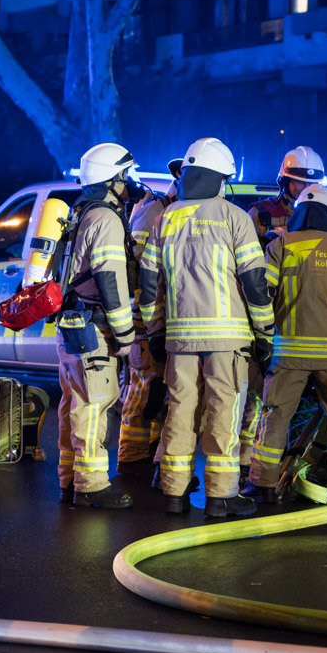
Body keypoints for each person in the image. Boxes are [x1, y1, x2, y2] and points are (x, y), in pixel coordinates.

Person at [139, 137, 274, 518]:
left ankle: (174, 492)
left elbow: (148, 283)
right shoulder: (235, 217)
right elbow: (254, 283)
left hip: (180, 338)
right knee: (223, 414)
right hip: (227, 340)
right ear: (220, 178)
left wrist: (155, 329)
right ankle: (221, 495)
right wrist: (265, 332)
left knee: (180, 412)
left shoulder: (165, 217)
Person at [244, 184, 327, 503]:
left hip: (288, 352)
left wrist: (263, 336)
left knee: (276, 415)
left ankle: (262, 484)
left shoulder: (280, 245)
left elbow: (262, 293)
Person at [54, 143, 139, 508]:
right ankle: (90, 484)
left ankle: (69, 477)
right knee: (93, 404)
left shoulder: (80, 213)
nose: (127, 183)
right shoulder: (105, 219)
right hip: (94, 328)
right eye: (124, 176)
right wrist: (124, 334)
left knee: (73, 403)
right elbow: (110, 280)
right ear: (110, 179)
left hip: (72, 325)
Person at [116, 158, 178, 475]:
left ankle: (150, 449)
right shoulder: (155, 212)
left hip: (164, 318)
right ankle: (131, 455)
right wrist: (148, 322)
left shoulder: (168, 212)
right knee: (144, 386)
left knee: (159, 389)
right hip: (148, 317)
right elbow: (141, 272)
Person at [248, 146, 325, 244]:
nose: (307, 188)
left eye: (311, 184)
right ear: (285, 181)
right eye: (299, 182)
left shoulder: (325, 215)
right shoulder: (258, 213)